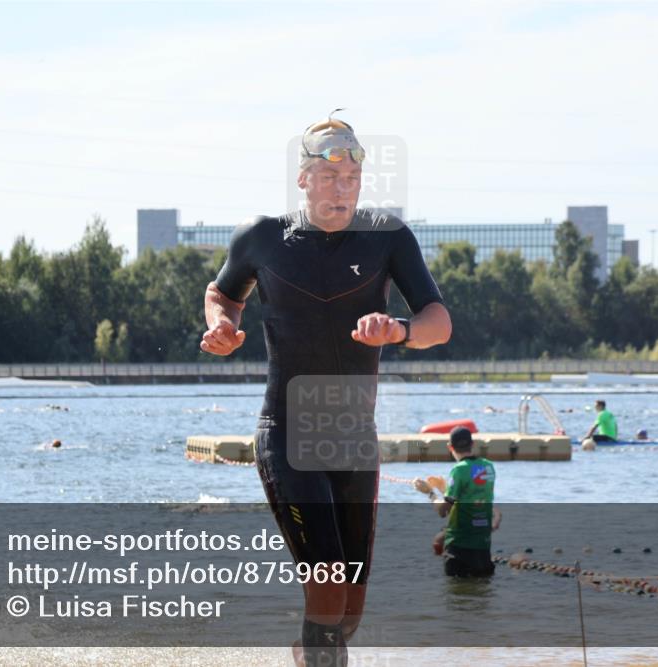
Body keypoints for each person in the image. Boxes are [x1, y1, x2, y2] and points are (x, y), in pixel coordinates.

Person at [200, 111, 452, 667]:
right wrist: (222, 325)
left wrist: (402, 330)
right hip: (288, 432)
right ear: (303, 179)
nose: (343, 190)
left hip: (354, 439)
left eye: (353, 180)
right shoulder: (262, 238)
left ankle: (306, 653)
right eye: (331, 177)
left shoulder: (387, 238)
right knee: (329, 585)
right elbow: (222, 293)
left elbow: (439, 321)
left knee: (351, 610)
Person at [414, 426, 501, 577]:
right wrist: (445, 488)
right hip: (483, 548)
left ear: (450, 447)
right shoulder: (488, 467)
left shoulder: (459, 470)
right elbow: (473, 495)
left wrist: (429, 492)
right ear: (472, 444)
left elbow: (443, 511)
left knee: (457, 596)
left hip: (460, 547)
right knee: (482, 595)